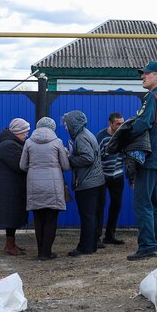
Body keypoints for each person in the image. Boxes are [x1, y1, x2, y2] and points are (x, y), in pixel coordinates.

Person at [127, 60, 157, 261]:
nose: (142, 77)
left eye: (146, 74)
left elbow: (142, 124)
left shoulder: (153, 97)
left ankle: (147, 246)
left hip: (148, 157)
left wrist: (126, 131)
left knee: (143, 203)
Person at [20, 117, 70, 261]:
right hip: (53, 185)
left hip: (34, 184)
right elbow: (66, 165)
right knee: (51, 219)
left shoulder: (29, 142)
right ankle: (46, 252)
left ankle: (40, 251)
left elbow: (22, 165)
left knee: (38, 219)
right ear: (52, 128)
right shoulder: (57, 142)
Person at [61, 110, 104, 257]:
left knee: (87, 216)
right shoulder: (86, 134)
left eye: (67, 124)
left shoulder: (81, 137)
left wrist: (70, 159)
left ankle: (85, 247)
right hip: (95, 181)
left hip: (87, 183)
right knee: (91, 216)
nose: (65, 127)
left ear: (73, 123)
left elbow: (88, 158)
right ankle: (91, 246)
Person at [0, 118, 30, 256]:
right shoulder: (8, 145)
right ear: (17, 132)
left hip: (12, 185)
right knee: (10, 216)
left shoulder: (12, 143)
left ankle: (11, 243)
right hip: (7, 187)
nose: (26, 135)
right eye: (24, 132)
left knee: (13, 215)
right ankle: (9, 246)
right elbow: (20, 166)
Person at [94, 112, 126, 247]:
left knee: (116, 205)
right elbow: (96, 158)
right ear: (110, 123)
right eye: (118, 124)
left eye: (122, 123)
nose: (120, 126)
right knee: (99, 206)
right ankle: (96, 237)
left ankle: (110, 235)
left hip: (118, 175)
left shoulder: (124, 136)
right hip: (102, 176)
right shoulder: (101, 137)